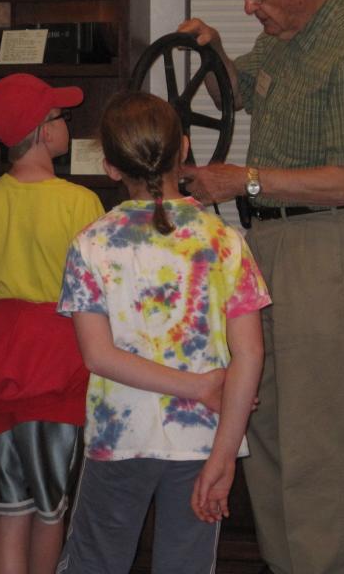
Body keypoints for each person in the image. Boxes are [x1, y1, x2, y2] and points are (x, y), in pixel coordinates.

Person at [178, 0, 344, 574]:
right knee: (266, 431)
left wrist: (242, 178)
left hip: (324, 250)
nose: (250, 6)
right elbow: (235, 90)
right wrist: (214, 52)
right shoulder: (285, 33)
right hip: (266, 245)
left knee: (316, 449)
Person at [55, 92, 268, 574]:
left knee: (95, 564)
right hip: (203, 441)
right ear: (185, 148)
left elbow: (99, 357)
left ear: (110, 167)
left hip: (119, 436)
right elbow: (250, 355)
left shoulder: (92, 243)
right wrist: (226, 456)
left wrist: (200, 388)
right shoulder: (226, 241)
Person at [0, 73, 104, 574]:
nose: (68, 124)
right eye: (62, 118)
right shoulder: (79, 202)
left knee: (9, 511)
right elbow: (92, 294)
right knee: (49, 511)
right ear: (44, 132)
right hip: (58, 361)